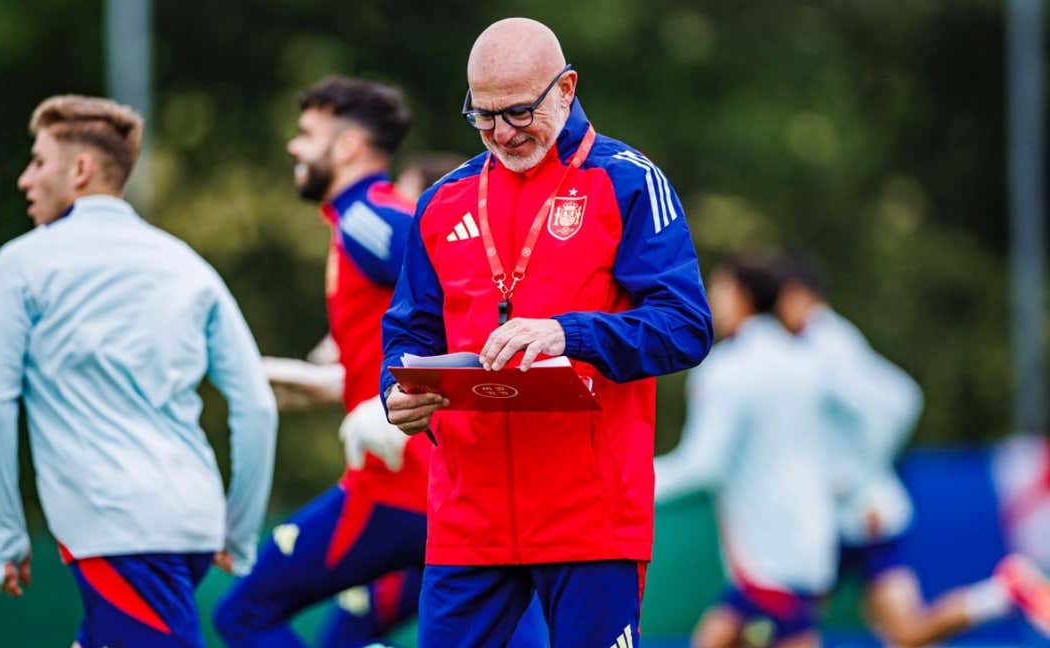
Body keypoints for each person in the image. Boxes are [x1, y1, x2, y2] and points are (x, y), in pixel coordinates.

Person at [380, 18, 713, 647]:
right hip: (467, 517)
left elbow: (687, 326)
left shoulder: (628, 179)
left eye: (518, 112)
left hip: (588, 517)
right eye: (483, 116)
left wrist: (570, 334)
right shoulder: (443, 200)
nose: (502, 134)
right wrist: (396, 392)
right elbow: (407, 330)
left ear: (566, 88)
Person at [0, 94, 278, 648]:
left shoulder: (21, 262)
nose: (25, 179)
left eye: (38, 161)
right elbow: (256, 404)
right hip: (192, 521)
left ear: (81, 169)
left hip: (119, 532)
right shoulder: (187, 262)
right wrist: (239, 526)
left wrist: (2, 536)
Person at [214, 77, 430, 648]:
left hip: (397, 486)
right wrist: (324, 383)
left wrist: (390, 411)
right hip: (417, 484)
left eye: (308, 133)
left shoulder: (369, 219)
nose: (294, 146)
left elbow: (466, 298)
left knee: (242, 614)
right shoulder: (354, 222)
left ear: (350, 146)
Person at [775, 258, 1050, 644]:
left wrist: (859, 479)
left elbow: (900, 401)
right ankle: (1001, 593)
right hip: (839, 517)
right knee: (904, 633)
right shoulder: (810, 343)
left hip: (859, 515)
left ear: (798, 296)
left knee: (777, 622)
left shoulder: (828, 345)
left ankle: (1005, 591)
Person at [653, 256, 837, 648]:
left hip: (764, 554)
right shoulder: (805, 359)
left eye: (717, 289)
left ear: (741, 296)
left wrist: (632, 480)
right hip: (812, 538)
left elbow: (703, 465)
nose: (710, 299)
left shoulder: (726, 370)